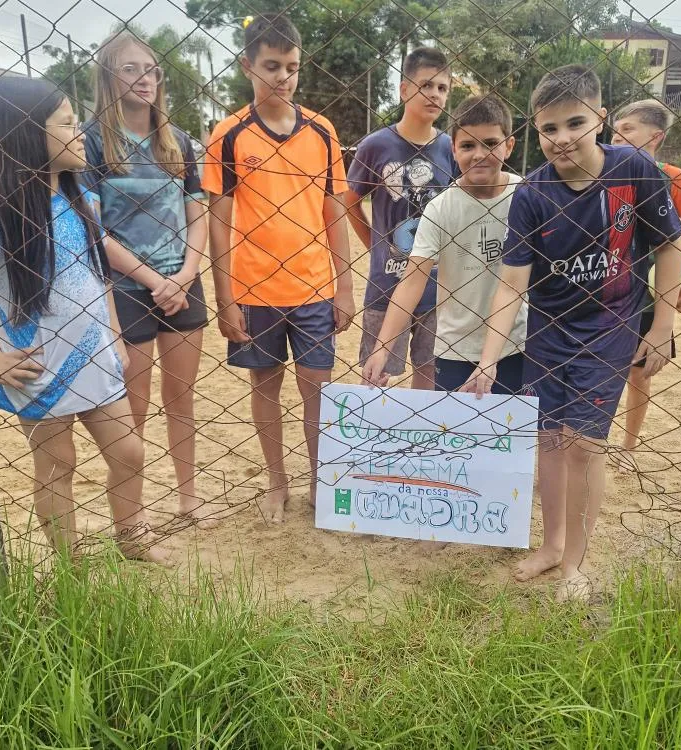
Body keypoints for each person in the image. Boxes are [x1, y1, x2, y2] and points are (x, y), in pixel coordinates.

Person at [463, 65, 681, 600]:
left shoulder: (635, 169)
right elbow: (510, 287)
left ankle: (575, 568)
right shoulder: (533, 195)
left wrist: (662, 325)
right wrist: (489, 360)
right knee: (550, 442)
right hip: (549, 331)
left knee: (585, 446)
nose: (561, 138)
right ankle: (553, 545)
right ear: (536, 132)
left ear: (602, 120)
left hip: (611, 326)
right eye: (549, 129)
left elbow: (669, 246)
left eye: (574, 123)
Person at [0, 77, 165, 562]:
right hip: (38, 367)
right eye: (68, 124)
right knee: (58, 465)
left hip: (95, 357)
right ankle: (72, 570)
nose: (82, 135)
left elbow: (98, 274)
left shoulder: (81, 198)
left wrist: (113, 337)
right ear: (28, 134)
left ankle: (133, 540)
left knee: (130, 453)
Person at [203, 14, 354, 523]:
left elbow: (334, 211)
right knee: (264, 387)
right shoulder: (228, 136)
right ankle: (276, 483)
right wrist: (225, 300)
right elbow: (218, 224)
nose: (283, 78)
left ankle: (318, 480)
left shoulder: (322, 131)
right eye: (271, 66)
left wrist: (344, 286)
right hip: (254, 290)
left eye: (291, 67)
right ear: (248, 65)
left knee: (318, 388)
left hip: (314, 286)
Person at [83, 31, 214, 526]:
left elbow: (197, 215)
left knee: (181, 397)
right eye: (131, 68)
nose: (146, 79)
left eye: (152, 70)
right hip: (125, 288)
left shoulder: (179, 142)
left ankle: (187, 497)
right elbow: (94, 228)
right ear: (109, 77)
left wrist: (183, 275)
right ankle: (132, 513)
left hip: (181, 281)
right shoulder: (92, 142)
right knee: (130, 406)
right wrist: (151, 279)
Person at [362, 95, 527, 394]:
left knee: (509, 435)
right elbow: (412, 282)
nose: (479, 154)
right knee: (454, 436)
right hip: (455, 348)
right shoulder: (440, 208)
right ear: (453, 149)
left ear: (509, 145)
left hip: (515, 345)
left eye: (490, 143)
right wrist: (382, 349)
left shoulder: (525, 196)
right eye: (467, 146)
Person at [611, 100, 681, 469]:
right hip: (604, 287)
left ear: (655, 136)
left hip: (647, 293)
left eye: (627, 129)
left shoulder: (671, 176)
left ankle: (628, 447)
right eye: (615, 128)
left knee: (639, 372)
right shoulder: (601, 171)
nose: (616, 135)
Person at [345, 47, 457, 391]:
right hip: (386, 283)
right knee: (376, 377)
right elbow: (349, 202)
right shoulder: (376, 146)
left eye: (442, 87)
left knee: (429, 375)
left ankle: (421, 445)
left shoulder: (451, 147)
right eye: (426, 85)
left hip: (437, 288)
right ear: (404, 89)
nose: (434, 94)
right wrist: (375, 245)